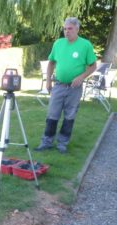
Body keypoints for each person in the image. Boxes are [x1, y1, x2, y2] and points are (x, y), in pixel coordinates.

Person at [34, 17, 97, 153]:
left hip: (74, 88)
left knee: (69, 116)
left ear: (77, 29)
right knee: (52, 115)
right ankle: (46, 142)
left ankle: (62, 144)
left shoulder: (85, 45)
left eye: (70, 29)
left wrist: (81, 77)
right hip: (58, 85)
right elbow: (51, 62)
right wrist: (49, 81)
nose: (67, 32)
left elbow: (93, 66)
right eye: (65, 29)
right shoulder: (58, 43)